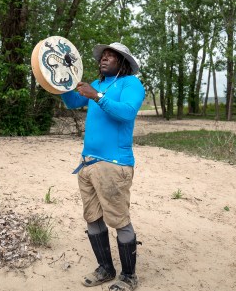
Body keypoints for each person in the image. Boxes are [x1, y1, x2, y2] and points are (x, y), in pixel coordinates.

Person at [60, 42, 145, 291]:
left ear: (123, 62)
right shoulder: (97, 84)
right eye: (103, 56)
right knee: (93, 219)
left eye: (111, 56)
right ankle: (106, 269)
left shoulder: (131, 84)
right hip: (87, 163)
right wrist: (63, 82)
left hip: (114, 165)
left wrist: (96, 96)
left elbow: (127, 113)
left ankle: (129, 276)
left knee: (119, 220)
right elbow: (72, 102)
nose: (104, 59)